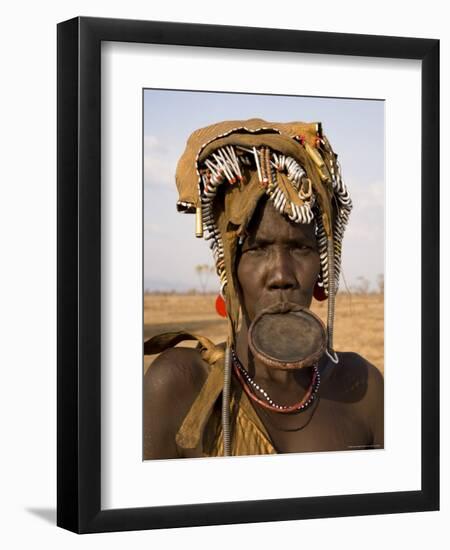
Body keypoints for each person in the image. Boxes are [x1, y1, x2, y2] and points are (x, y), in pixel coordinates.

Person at [143, 118, 384, 459]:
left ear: (322, 267)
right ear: (228, 268)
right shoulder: (178, 385)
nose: (282, 274)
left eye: (300, 248)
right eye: (257, 248)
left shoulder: (363, 388)